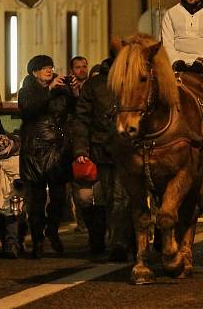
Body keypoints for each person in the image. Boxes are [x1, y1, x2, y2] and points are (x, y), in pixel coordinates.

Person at [70, 56, 132, 261]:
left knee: (119, 197)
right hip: (103, 150)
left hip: (125, 149)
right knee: (104, 197)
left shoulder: (133, 81)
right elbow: (82, 119)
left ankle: (119, 243)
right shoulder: (95, 85)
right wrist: (80, 150)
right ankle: (104, 239)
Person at [18, 55, 77, 258]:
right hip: (34, 151)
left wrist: (75, 91)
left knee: (59, 197)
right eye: (44, 68)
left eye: (51, 67)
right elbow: (29, 109)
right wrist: (48, 90)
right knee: (36, 200)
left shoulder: (62, 90)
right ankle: (37, 240)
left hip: (58, 151)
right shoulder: (26, 91)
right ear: (34, 72)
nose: (49, 71)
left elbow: (74, 111)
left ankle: (52, 230)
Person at [0, 133, 23, 259]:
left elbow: (18, 175)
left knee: (11, 220)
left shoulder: (16, 159)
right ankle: (9, 245)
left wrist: (19, 183)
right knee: (2, 221)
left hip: (11, 194)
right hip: (0, 194)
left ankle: (11, 245)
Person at [67, 55, 90, 234]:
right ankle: (81, 220)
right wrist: (73, 93)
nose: (82, 70)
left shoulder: (92, 87)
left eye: (84, 66)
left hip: (89, 141)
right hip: (72, 141)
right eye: (78, 67)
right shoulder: (66, 89)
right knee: (77, 183)